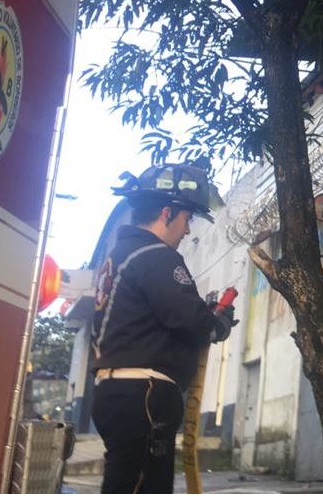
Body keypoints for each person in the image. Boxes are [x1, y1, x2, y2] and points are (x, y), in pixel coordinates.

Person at [90, 164, 237, 494]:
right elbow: (190, 319)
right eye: (187, 219)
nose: (187, 231)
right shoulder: (156, 256)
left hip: (117, 392)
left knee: (126, 485)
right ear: (167, 213)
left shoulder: (119, 256)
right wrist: (218, 323)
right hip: (144, 395)